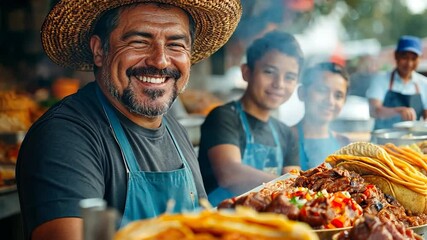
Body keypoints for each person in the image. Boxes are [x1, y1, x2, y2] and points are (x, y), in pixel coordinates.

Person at [16, 0, 242, 239]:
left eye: (175, 45)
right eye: (139, 42)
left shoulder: (174, 129)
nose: (161, 61)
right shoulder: (64, 137)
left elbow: (200, 226)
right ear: (99, 51)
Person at [197, 31, 303, 206]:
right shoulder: (223, 117)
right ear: (246, 72)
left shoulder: (286, 133)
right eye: (269, 72)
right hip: (221, 223)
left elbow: (295, 191)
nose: (279, 84)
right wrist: (290, 183)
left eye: (289, 77)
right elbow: (229, 174)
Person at [294, 62, 351, 170]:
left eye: (338, 96)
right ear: (302, 93)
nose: (330, 101)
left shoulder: (344, 144)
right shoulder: (284, 138)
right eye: (322, 90)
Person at [366, 35, 427, 130]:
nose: (409, 63)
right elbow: (374, 111)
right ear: (396, 56)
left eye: (414, 58)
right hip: (383, 141)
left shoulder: (424, 84)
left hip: (412, 142)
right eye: (405, 57)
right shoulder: (380, 79)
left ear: (420, 59)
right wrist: (398, 111)